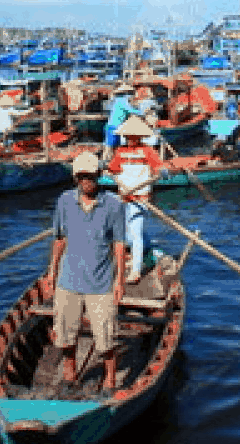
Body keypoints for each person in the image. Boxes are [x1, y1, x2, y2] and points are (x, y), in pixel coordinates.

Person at [43, 152, 128, 390]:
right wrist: (52, 272)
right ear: (76, 179)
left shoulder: (113, 205)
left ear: (99, 176)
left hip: (100, 284)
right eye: (81, 177)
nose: (86, 181)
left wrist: (120, 280)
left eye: (90, 176)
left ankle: (109, 377)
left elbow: (119, 244)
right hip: (68, 280)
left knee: (105, 338)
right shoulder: (64, 201)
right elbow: (59, 239)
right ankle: (69, 372)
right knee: (66, 335)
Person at [106, 115, 163, 282]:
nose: (131, 139)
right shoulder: (121, 151)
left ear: (139, 136)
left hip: (140, 198)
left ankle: (136, 271)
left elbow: (158, 167)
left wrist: (162, 171)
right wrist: (106, 169)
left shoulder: (147, 151)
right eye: (128, 136)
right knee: (126, 232)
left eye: (134, 136)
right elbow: (113, 169)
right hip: (124, 196)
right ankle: (145, 252)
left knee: (135, 233)